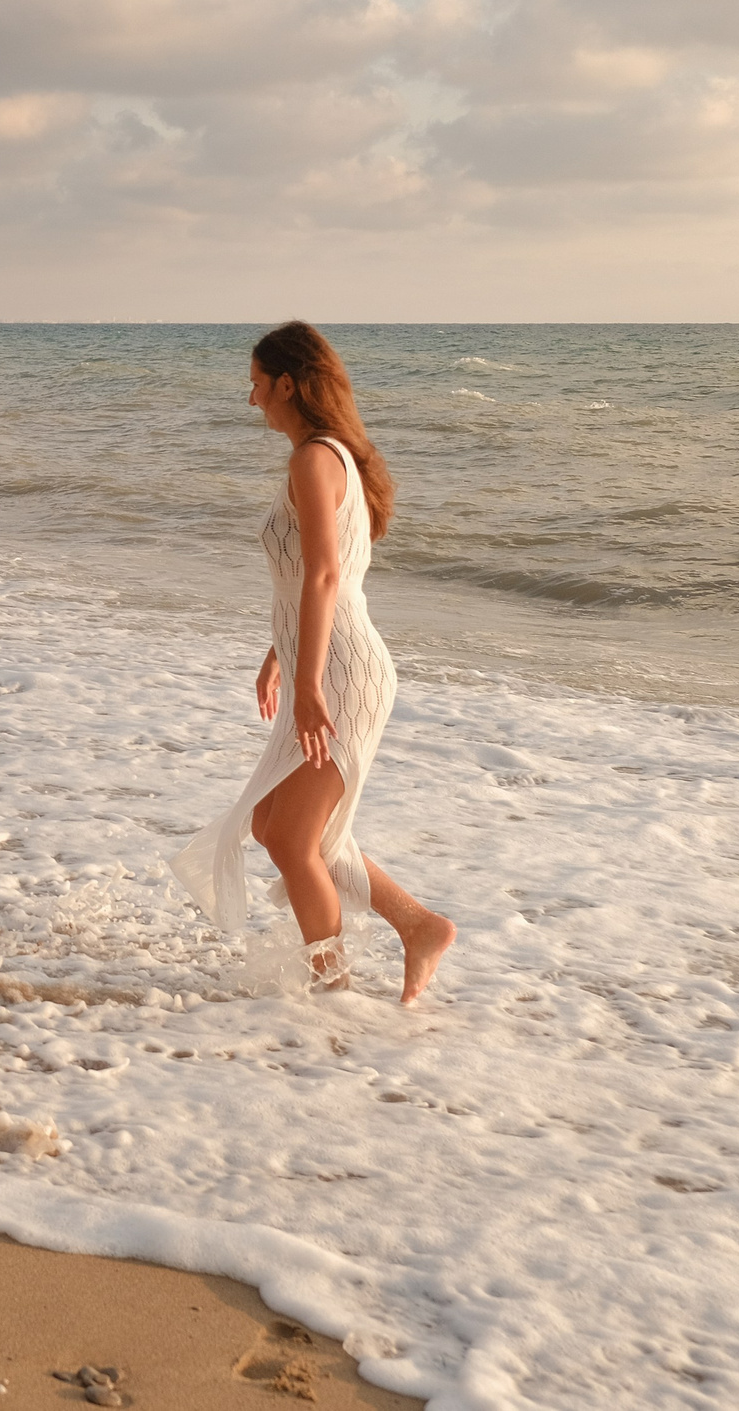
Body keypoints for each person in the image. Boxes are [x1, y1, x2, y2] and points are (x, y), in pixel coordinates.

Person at [174, 321, 455, 1004]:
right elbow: (310, 578)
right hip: (327, 661)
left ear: (289, 384)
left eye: (257, 384)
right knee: (279, 827)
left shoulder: (314, 459)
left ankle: (335, 989)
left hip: (341, 672)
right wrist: (281, 654)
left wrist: (305, 681)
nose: (251, 400)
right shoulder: (328, 457)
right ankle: (417, 925)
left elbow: (328, 576)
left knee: (297, 838)